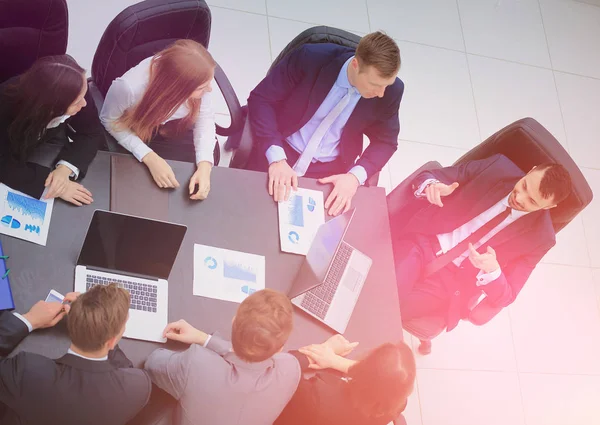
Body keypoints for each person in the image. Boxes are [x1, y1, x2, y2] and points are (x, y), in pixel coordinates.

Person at [393, 154, 573, 354]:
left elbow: (507, 295)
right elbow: (431, 175)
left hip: (451, 283)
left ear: (548, 207)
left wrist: (493, 271)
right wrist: (433, 186)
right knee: (386, 295)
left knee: (391, 309)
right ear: (531, 170)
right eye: (524, 186)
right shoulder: (498, 167)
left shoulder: (540, 238)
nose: (519, 198)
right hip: (425, 244)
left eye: (531, 201)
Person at [246, 31, 403, 216]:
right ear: (355, 64)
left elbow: (386, 141)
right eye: (374, 84)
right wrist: (276, 157)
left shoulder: (391, 91)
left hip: (331, 170)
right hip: (283, 147)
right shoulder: (309, 58)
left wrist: (354, 177)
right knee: (250, 212)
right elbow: (261, 99)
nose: (381, 93)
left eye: (386, 85)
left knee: (318, 237)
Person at [144, 289, 302, 425]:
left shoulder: (195, 365)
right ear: (280, 348)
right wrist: (204, 339)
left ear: (233, 322)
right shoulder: (291, 369)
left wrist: (205, 342)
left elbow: (152, 363)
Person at [0, 284, 151, 425]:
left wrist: (29, 320)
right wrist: (99, 327)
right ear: (111, 341)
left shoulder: (25, 372)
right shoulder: (137, 386)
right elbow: (125, 371)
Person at [101, 39, 217, 200]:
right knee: (138, 193)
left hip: (173, 129)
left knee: (186, 185)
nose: (209, 90)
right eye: (202, 88)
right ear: (176, 87)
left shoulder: (200, 79)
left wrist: (205, 166)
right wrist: (149, 157)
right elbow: (109, 120)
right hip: (136, 129)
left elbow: (205, 119)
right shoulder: (128, 88)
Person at [0, 55, 102, 204]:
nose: (84, 103)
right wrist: (52, 187)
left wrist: (65, 169)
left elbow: (92, 131)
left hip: (46, 143)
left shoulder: (77, 88)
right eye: (76, 102)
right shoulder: (5, 105)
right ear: (51, 107)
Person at [275, 336, 416, 425]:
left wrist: (326, 347)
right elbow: (376, 380)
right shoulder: (394, 403)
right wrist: (334, 360)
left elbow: (279, 369)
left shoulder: (315, 396)